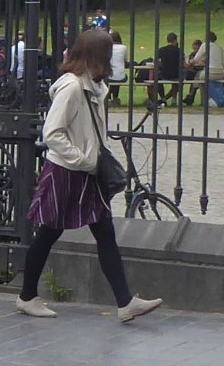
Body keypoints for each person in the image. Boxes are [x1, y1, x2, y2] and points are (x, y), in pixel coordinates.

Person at [19, 26, 161, 323]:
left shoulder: (92, 87)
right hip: (66, 170)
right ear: (97, 57)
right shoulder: (72, 88)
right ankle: (27, 296)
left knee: (104, 232)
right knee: (48, 233)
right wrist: (82, 158)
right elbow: (52, 132)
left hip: (86, 172)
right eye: (107, 55)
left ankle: (125, 302)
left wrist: (88, 161)